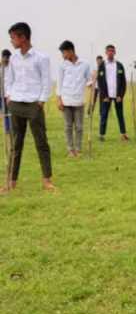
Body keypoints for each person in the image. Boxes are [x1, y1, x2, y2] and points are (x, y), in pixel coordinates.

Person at [2, 22, 55, 192]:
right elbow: (8, 80)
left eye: (13, 37)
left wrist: (41, 101)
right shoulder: (14, 59)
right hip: (16, 103)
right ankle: (11, 181)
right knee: (16, 144)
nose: (11, 41)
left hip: (34, 104)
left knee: (41, 143)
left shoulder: (42, 58)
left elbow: (46, 81)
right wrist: (9, 97)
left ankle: (47, 180)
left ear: (23, 37)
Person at [56, 40, 91, 157]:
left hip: (79, 101)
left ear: (71, 51)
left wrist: (93, 81)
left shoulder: (85, 65)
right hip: (66, 101)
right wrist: (59, 99)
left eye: (64, 53)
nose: (63, 56)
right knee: (68, 126)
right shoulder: (62, 66)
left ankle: (78, 149)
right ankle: (70, 149)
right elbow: (59, 84)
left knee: (79, 127)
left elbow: (89, 80)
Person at [97, 44, 128, 142]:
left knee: (120, 115)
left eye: (112, 51)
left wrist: (121, 95)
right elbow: (100, 81)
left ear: (115, 52)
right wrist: (104, 95)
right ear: (106, 52)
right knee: (104, 114)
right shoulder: (102, 65)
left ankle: (123, 134)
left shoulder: (119, 65)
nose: (110, 52)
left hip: (117, 95)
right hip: (106, 96)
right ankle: (101, 135)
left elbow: (123, 82)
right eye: (109, 51)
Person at [1, 49, 10, 133]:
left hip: (9, 95)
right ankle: (7, 128)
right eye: (5, 58)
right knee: (3, 112)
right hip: (1, 94)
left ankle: (8, 129)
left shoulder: (11, 67)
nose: (6, 60)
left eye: (8, 58)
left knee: (8, 112)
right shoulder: (0, 67)